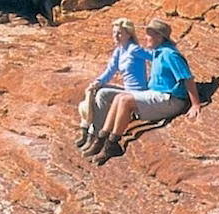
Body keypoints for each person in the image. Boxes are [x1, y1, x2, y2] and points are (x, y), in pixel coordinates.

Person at [86, 19, 201, 164]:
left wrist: (195, 103)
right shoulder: (158, 52)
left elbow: (187, 78)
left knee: (124, 100)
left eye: (149, 35)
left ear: (159, 37)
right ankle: (102, 139)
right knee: (120, 97)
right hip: (157, 95)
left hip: (171, 99)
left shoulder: (169, 54)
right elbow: (111, 68)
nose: (145, 38)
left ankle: (112, 144)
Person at [77, 19, 150, 152]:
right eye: (114, 32)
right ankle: (89, 132)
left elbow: (154, 57)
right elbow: (110, 70)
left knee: (103, 94)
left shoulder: (134, 49)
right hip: (127, 89)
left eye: (120, 33)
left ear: (128, 34)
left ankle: (96, 135)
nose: (116, 36)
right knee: (97, 90)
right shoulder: (119, 50)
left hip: (137, 92)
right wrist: (97, 82)